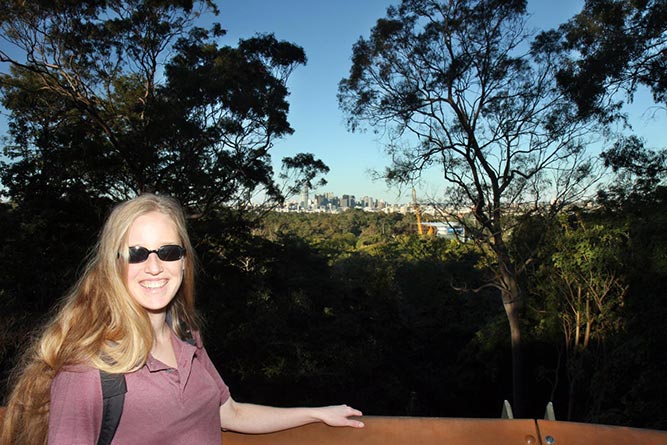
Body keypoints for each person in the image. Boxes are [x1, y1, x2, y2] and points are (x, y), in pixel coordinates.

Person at [1, 193, 364, 444]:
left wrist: (315, 414)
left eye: (169, 251)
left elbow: (230, 413)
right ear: (114, 264)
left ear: (184, 260)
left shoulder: (187, 336)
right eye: (137, 253)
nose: (155, 267)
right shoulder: (88, 370)